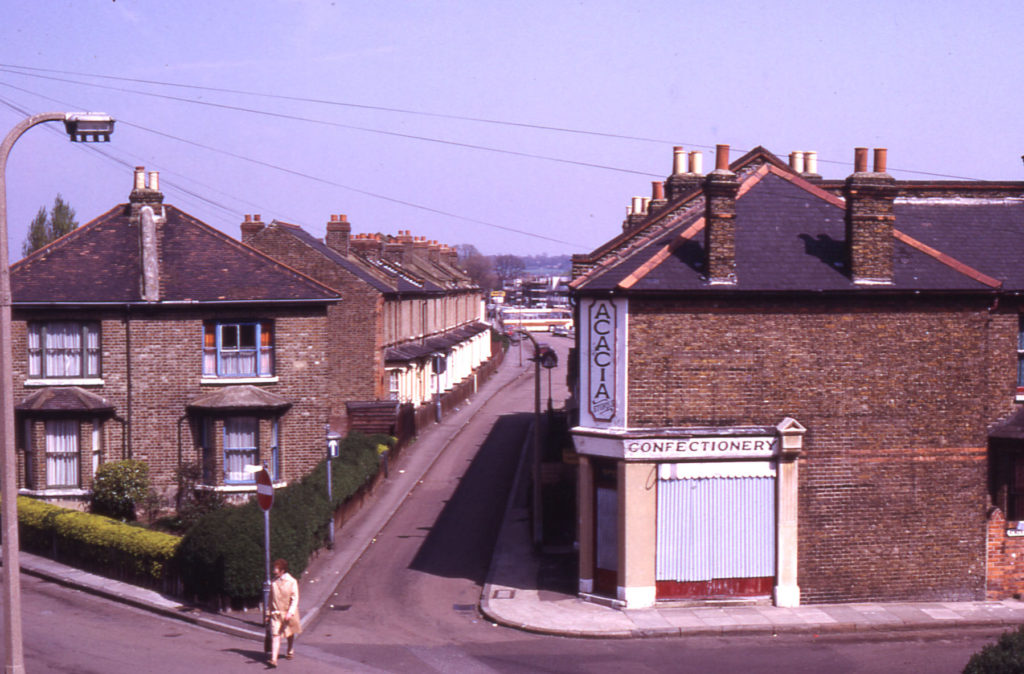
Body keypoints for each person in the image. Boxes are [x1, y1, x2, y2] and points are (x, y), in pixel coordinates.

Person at [266, 558, 302, 667]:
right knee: (276, 635)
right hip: (276, 614)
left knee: (289, 633)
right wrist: (268, 614)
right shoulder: (274, 582)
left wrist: (290, 612)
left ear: (282, 570)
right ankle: (273, 659)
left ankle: (290, 649)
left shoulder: (292, 582)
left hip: (288, 613)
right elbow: (270, 599)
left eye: (276, 569)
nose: (274, 571)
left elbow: (295, 598)